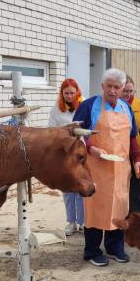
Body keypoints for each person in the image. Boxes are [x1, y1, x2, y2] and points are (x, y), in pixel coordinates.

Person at [73, 68, 140, 267]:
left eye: (117, 87)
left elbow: (132, 138)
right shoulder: (89, 106)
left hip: (121, 169)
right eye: (109, 86)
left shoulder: (126, 108)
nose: (113, 90)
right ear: (102, 86)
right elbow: (75, 133)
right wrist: (90, 147)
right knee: (96, 207)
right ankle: (92, 250)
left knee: (119, 206)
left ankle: (115, 247)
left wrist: (137, 159)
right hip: (95, 166)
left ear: (122, 89)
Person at [49, 78, 85, 236]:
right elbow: (51, 130)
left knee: (81, 187)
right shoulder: (57, 109)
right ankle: (71, 221)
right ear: (62, 94)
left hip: (81, 152)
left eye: (72, 93)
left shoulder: (84, 106)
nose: (69, 96)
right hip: (64, 152)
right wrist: (65, 131)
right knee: (68, 189)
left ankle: (83, 222)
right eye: (66, 93)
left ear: (77, 92)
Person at [123, 75, 140, 214]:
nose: (128, 94)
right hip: (120, 155)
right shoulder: (114, 105)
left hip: (137, 155)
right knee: (122, 192)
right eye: (125, 91)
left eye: (131, 91)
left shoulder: (139, 104)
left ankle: (138, 224)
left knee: (137, 192)